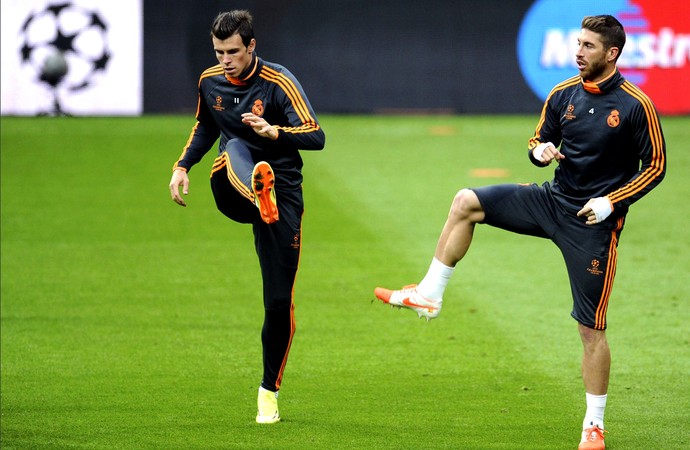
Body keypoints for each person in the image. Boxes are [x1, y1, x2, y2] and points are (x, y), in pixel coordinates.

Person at [374, 15, 665, 449]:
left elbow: (656, 166)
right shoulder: (562, 94)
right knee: (465, 202)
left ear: (612, 53)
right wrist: (540, 152)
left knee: (591, 330)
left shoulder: (635, 104)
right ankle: (430, 294)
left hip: (591, 223)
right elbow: (536, 142)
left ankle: (593, 426)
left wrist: (611, 202)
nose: (578, 51)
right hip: (551, 201)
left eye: (588, 46)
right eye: (577, 43)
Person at [169, 10, 325, 424]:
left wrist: (276, 132)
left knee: (278, 301)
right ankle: (257, 187)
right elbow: (205, 125)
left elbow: (315, 133)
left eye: (233, 51)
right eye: (219, 51)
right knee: (234, 144)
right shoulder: (209, 81)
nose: (225, 59)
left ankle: (268, 394)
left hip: (284, 196)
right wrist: (183, 165)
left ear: (251, 46)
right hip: (231, 186)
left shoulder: (278, 82)